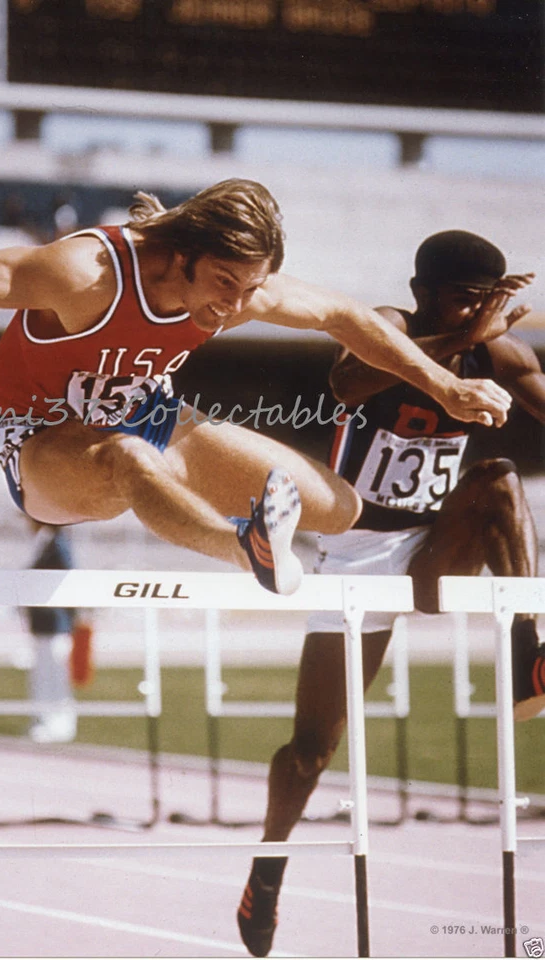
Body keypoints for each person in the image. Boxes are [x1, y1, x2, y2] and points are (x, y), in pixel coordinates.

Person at [0, 181, 513, 598]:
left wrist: (444, 386)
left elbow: (342, 316)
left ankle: (274, 541)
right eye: (224, 286)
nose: (232, 310)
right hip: (43, 445)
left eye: (249, 291)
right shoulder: (85, 275)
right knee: (127, 457)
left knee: (339, 506)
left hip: (153, 417)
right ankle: (245, 548)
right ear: (180, 255)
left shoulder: (238, 286)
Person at [236, 229, 545, 958]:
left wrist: (487, 341)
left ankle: (528, 645)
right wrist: (463, 335)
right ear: (422, 292)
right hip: (354, 556)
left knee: (497, 479)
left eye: (487, 299)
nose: (478, 311)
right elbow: (348, 382)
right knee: (310, 750)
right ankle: (267, 870)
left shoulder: (497, 352)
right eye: (463, 296)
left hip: (433, 549)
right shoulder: (387, 328)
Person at [25, 522, 94, 744]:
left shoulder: (58, 544)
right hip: (46, 623)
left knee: (54, 675)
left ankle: (58, 726)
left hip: (56, 623)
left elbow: (69, 578)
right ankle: (47, 722)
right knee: (45, 675)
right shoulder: (48, 542)